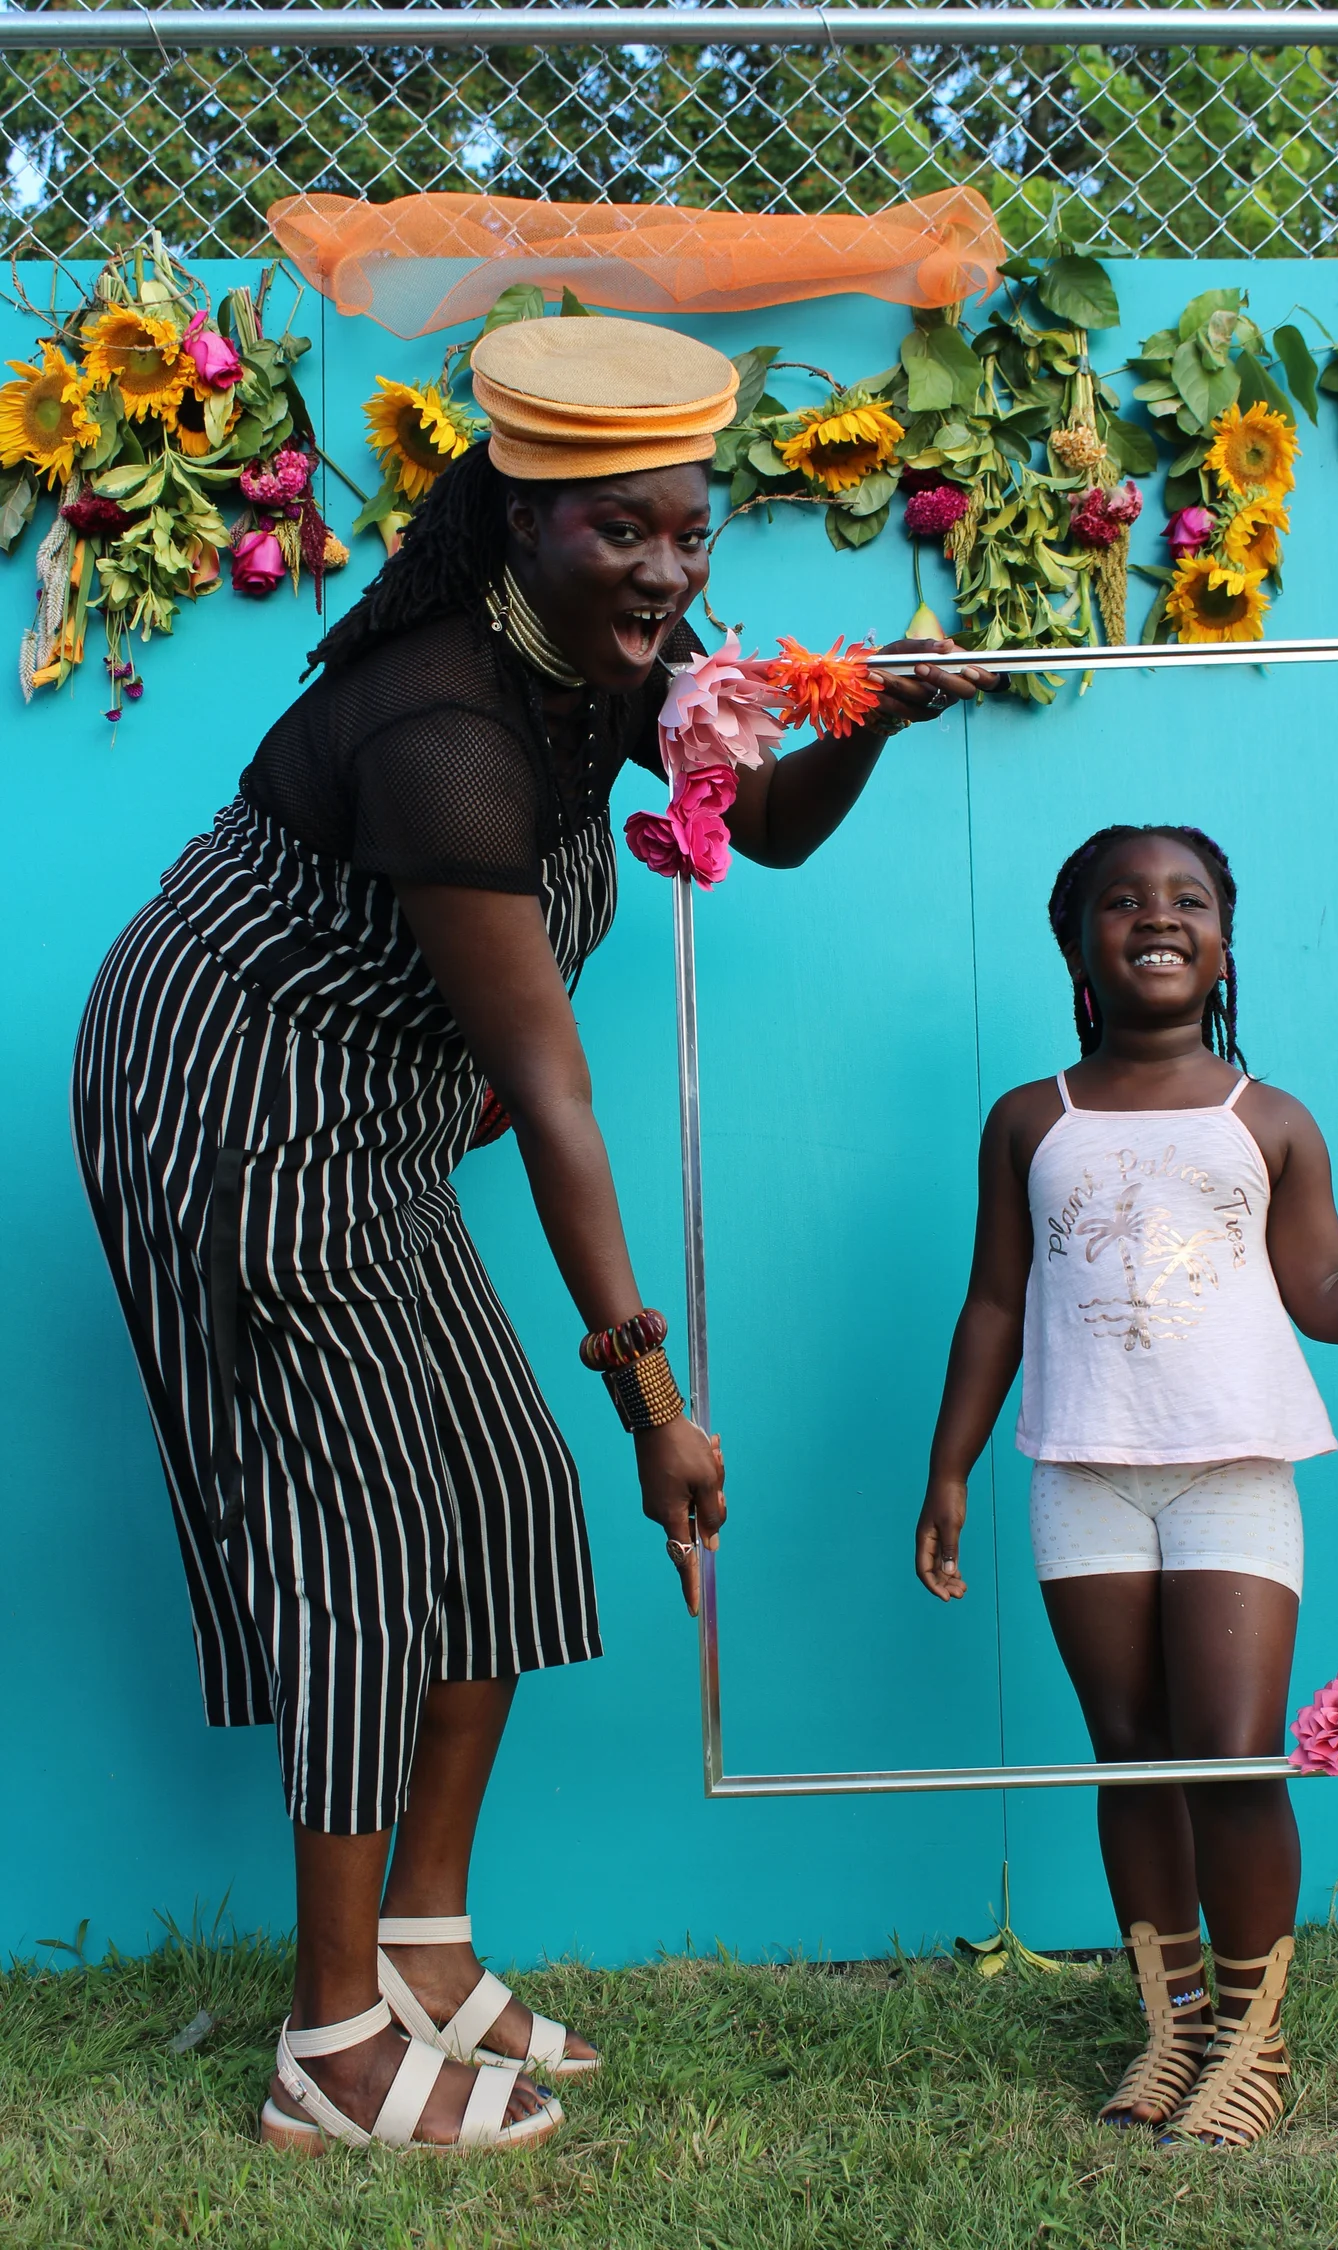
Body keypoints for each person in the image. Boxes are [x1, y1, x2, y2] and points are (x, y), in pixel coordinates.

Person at [71, 312, 997, 2154]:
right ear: (519, 517)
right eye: (619, 530)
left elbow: (764, 824)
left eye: (690, 530)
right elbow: (549, 1083)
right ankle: (332, 2044)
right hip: (237, 1108)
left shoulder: (594, 656)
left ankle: (420, 1944)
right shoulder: (446, 723)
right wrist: (653, 1398)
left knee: (496, 1489)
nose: (666, 570)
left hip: (375, 1122)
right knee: (359, 1536)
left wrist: (870, 715)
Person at [915, 823, 1338, 2149]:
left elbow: (1328, 1291)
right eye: (1123, 900)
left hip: (1232, 1473)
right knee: (1131, 1757)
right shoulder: (1031, 1120)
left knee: (1230, 1755)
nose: (1158, 917)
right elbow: (995, 1301)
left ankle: (1252, 2035)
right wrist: (950, 1465)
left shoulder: (1267, 1120)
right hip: (1083, 1478)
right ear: (1077, 944)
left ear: (1225, 942)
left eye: (1188, 899)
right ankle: (1172, 2024)